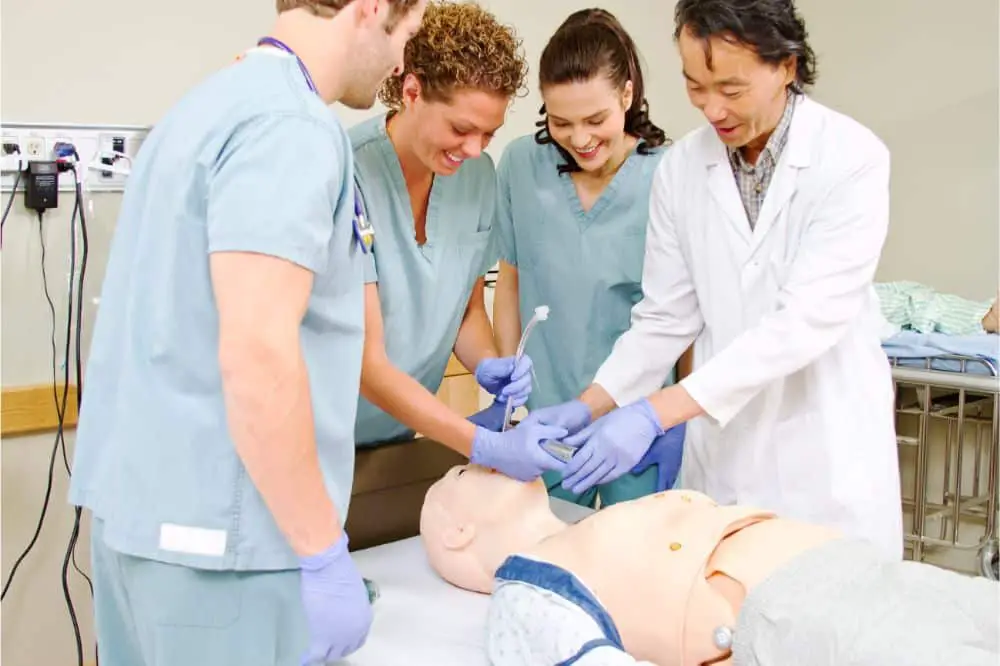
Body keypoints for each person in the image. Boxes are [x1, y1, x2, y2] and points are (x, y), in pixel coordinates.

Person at [67, 1, 426, 664]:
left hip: (138, 532)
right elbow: (259, 352)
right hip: (226, 555)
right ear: (373, 9)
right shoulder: (292, 128)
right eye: (407, 33)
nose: (402, 59)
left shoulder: (199, 111)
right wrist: (321, 549)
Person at [535, 0, 905, 559]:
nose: (711, 108)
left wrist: (657, 412)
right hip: (725, 467)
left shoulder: (851, 160)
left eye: (730, 89)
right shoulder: (682, 171)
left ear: (787, 66)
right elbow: (665, 318)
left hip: (825, 464)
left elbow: (802, 325)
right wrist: (591, 405)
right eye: (694, 86)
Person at [419, 464, 1000, 666]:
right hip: (793, 617)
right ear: (457, 531)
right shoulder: (528, 583)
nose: (483, 457)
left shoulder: (581, 529)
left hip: (848, 567)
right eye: (464, 472)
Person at [350, 0, 567, 480]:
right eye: (461, 128)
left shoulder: (477, 178)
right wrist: (481, 443)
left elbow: (466, 310)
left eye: (488, 134)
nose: (473, 150)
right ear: (411, 91)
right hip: (322, 440)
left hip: (401, 440)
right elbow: (365, 362)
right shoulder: (348, 174)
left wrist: (488, 364)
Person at [491, 8, 686, 507]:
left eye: (595, 119)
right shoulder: (520, 166)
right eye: (561, 122)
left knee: (632, 568)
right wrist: (507, 404)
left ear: (627, 94)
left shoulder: (671, 176)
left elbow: (684, 319)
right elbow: (509, 286)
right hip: (545, 422)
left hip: (634, 425)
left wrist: (674, 420)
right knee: (544, 567)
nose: (580, 139)